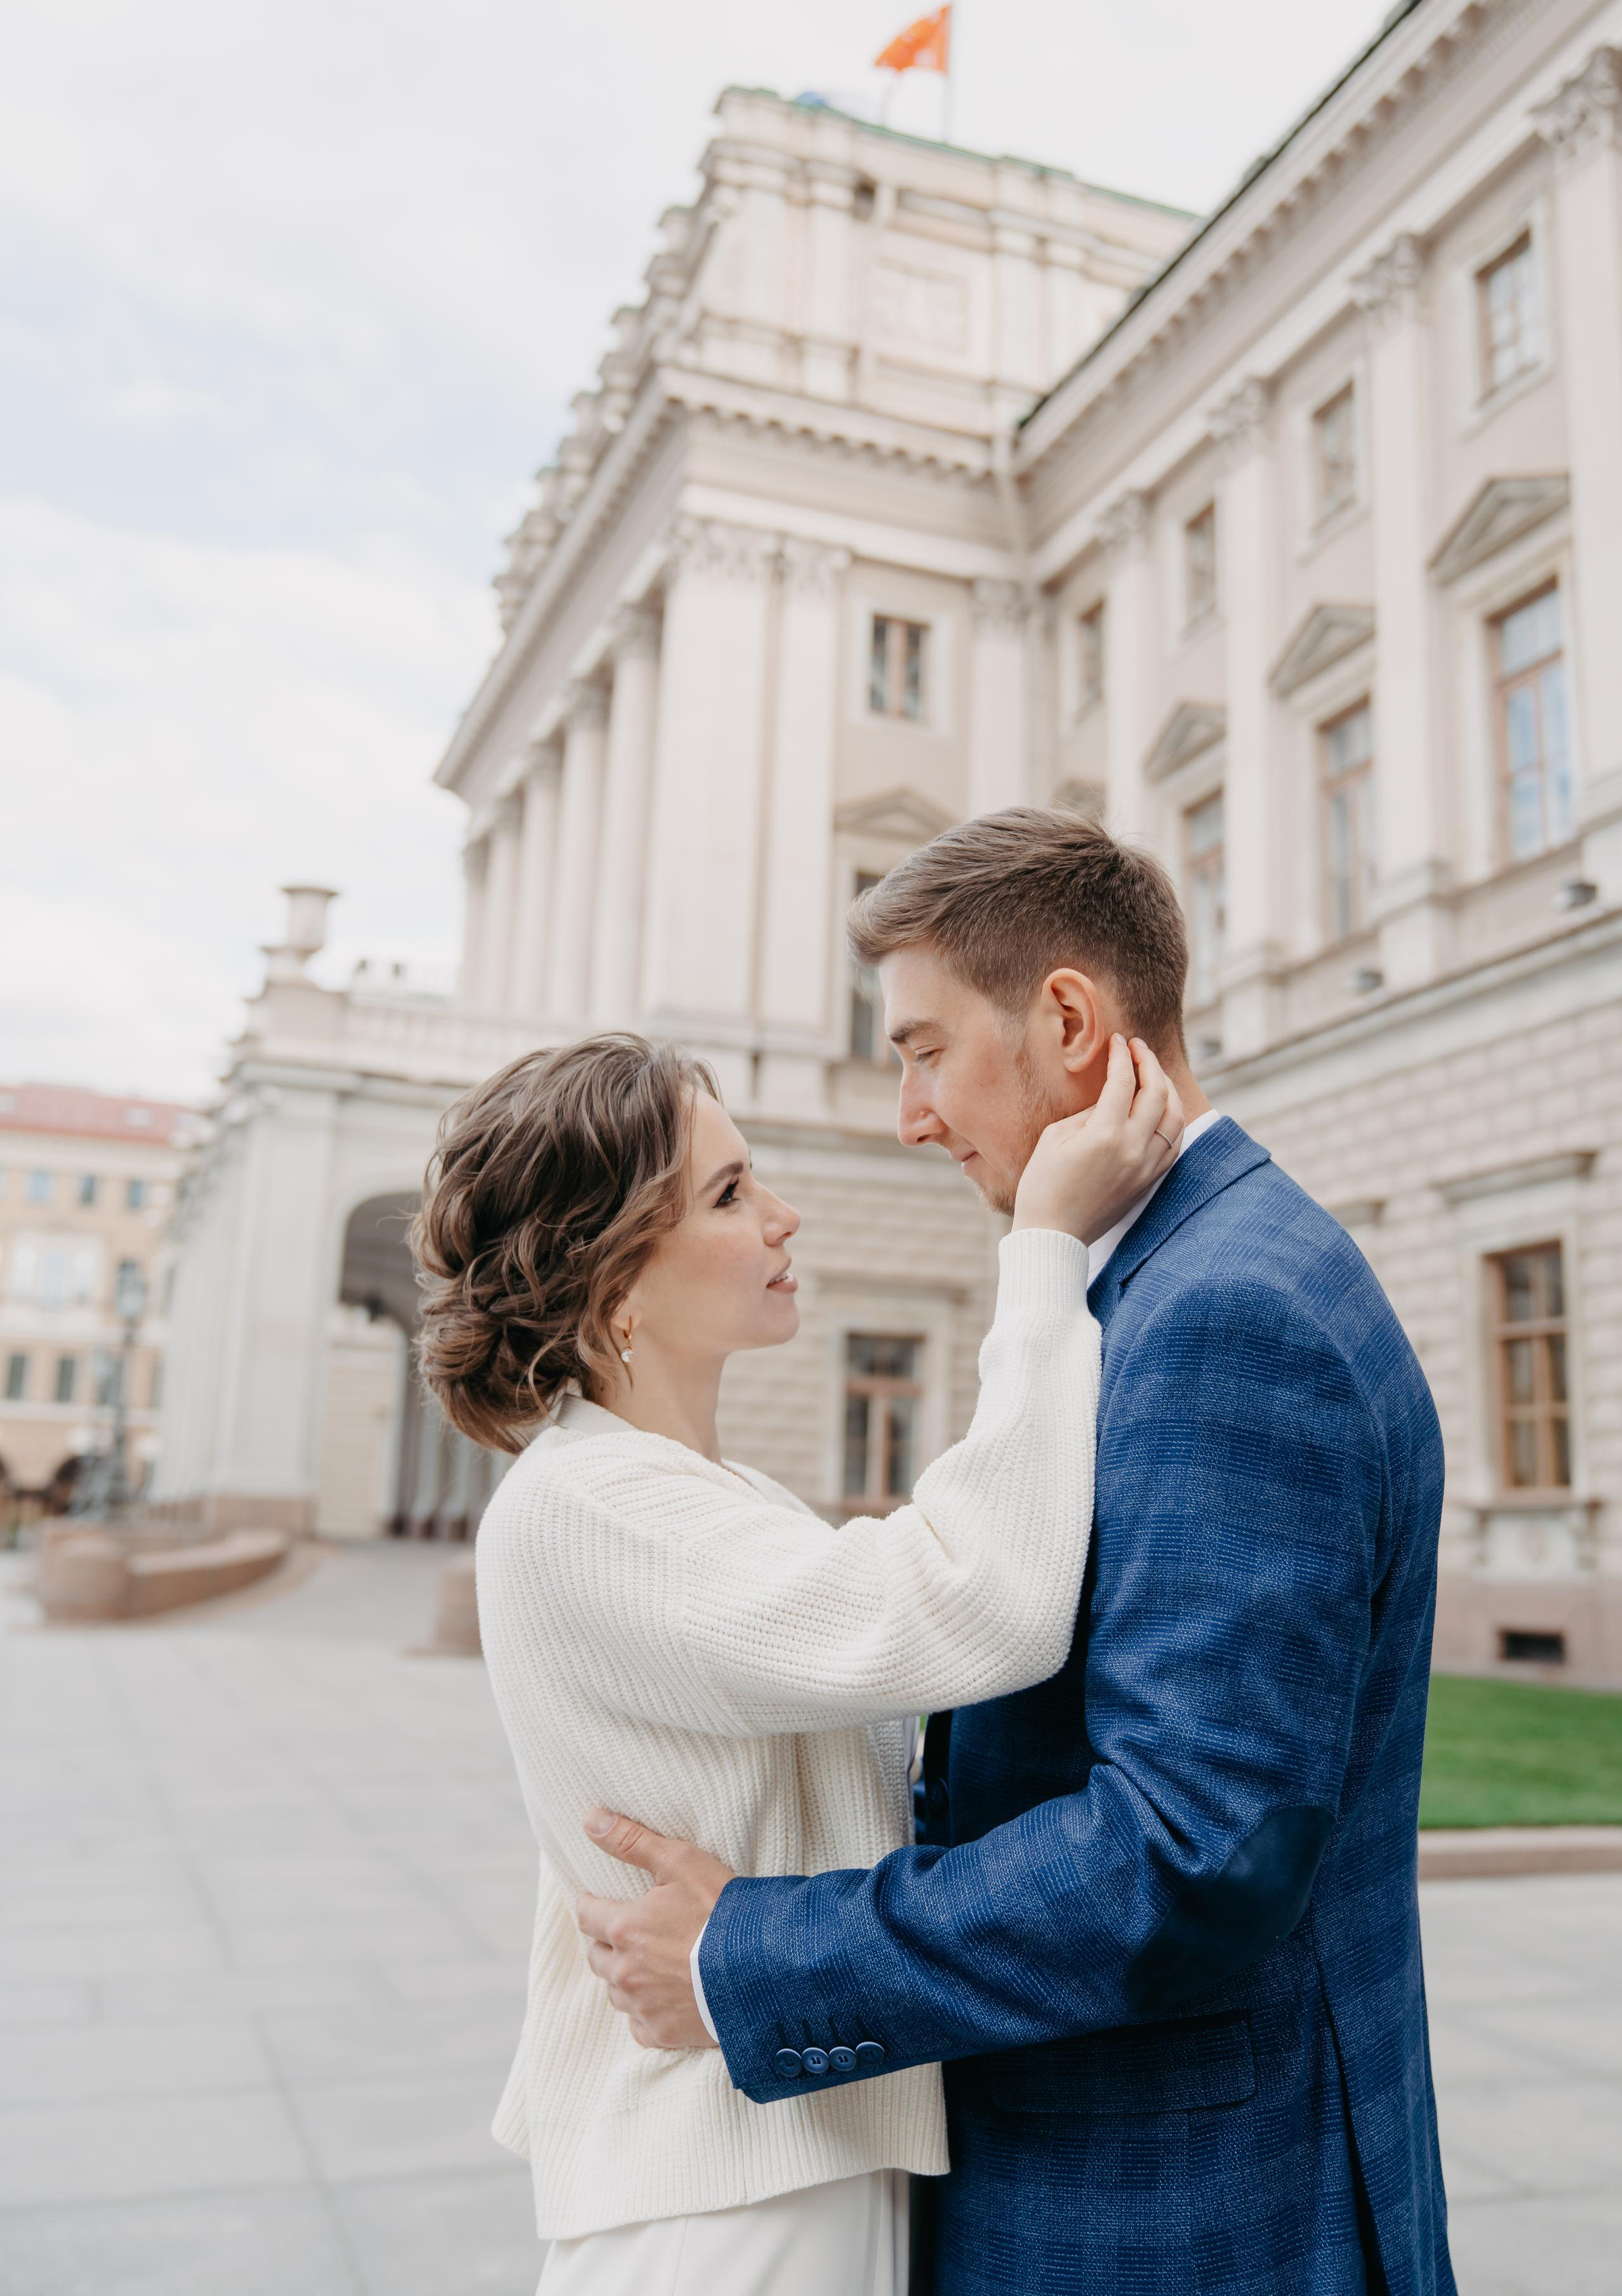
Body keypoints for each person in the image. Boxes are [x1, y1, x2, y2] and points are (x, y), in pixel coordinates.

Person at [574, 809, 1456, 2296]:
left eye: (923, 1047)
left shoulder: (1223, 1314)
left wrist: (756, 1952)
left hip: (1180, 2210)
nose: (909, 1109)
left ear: (1065, 1021)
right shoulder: (1171, 1276)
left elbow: (1188, 1849)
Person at [412, 1020, 1183, 2295]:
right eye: (727, 1192)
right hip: (725, 2197)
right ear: (613, 1282)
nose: (785, 1216)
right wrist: (1043, 1249)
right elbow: (978, 1604)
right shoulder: (587, 1507)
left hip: (780, 2142)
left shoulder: (715, 1496)